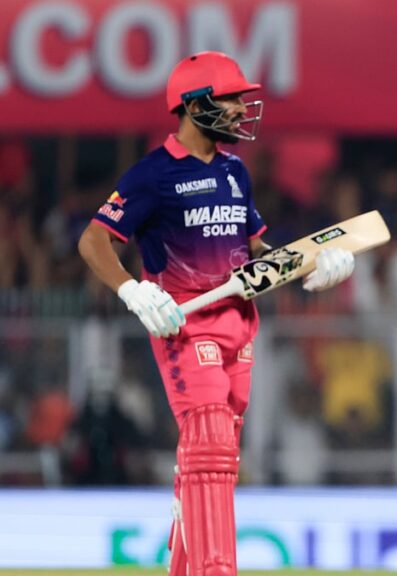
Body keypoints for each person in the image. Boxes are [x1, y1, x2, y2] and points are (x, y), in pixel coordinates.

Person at [78, 51, 355, 575]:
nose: (241, 110)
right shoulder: (152, 174)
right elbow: (93, 240)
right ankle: (215, 568)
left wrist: (315, 265)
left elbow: (257, 251)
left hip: (239, 324)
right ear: (193, 105)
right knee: (208, 444)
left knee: (217, 455)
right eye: (230, 99)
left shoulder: (234, 172)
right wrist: (133, 291)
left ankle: (184, 561)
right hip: (185, 323)